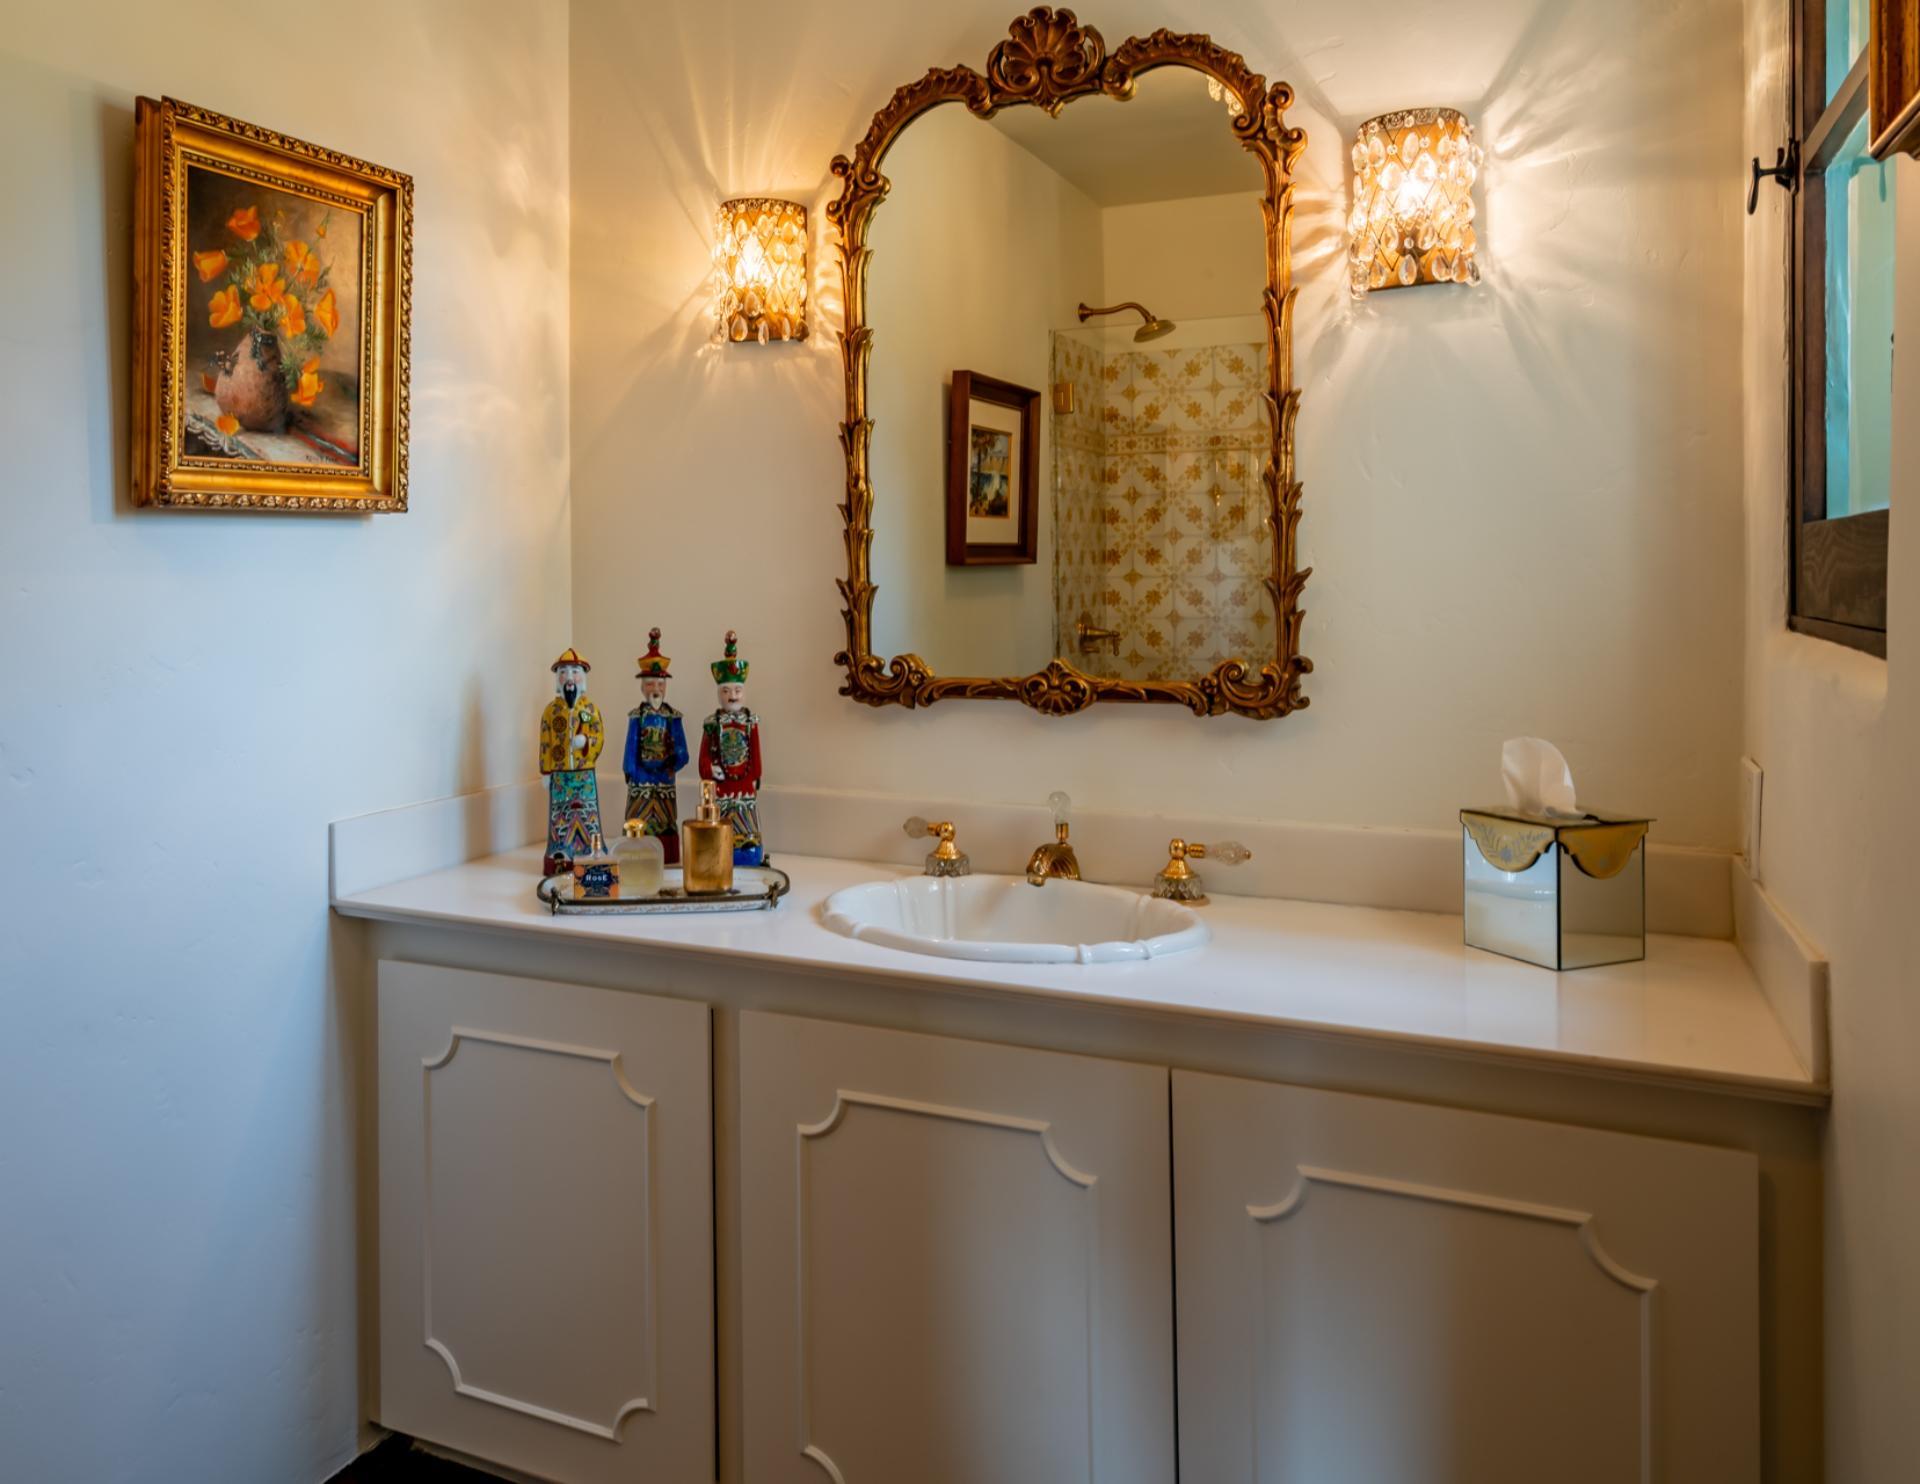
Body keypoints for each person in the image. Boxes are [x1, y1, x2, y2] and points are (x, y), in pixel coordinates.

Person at [623, 628, 690, 864]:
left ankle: (668, 854)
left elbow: (682, 749)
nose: (656, 690)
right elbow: (630, 748)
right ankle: (636, 852)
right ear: (642, 687)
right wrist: (630, 770)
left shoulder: (672, 717)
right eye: (651, 685)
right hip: (641, 777)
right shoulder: (636, 717)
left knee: (666, 819)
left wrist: (675, 763)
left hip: (664, 777)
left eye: (660, 684)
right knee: (637, 816)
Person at [699, 630, 764, 866]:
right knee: (723, 817)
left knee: (746, 816)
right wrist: (709, 769)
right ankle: (721, 852)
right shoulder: (711, 723)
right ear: (719, 694)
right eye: (726, 691)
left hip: (745, 781)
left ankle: (749, 851)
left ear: (744, 692)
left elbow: (755, 751)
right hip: (723, 782)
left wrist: (756, 774)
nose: (732, 696)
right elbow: (703, 754)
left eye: (737, 691)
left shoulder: (750, 722)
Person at [538, 648, 604, 876]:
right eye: (563, 672)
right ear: (558, 679)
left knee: (587, 812)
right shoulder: (550, 711)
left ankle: (590, 849)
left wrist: (586, 740)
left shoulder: (590, 710)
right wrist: (545, 771)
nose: (569, 678)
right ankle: (560, 851)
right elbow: (545, 741)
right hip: (560, 776)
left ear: (583, 678)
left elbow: (599, 736)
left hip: (584, 775)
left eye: (574, 672)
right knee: (560, 814)